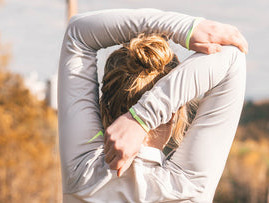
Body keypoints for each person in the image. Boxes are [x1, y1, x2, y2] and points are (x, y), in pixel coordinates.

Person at [58, 8, 248, 202]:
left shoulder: (81, 173)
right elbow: (232, 56)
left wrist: (186, 28)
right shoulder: (188, 186)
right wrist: (141, 118)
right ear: (173, 115)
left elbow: (78, 33)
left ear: (103, 109)